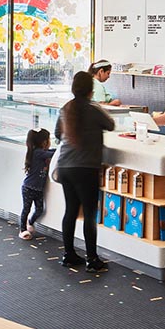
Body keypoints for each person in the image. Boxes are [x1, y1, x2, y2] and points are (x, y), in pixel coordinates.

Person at [55, 70, 115, 272]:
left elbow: (57, 133)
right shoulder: (93, 109)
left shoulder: (66, 109)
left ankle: (68, 254)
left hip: (65, 167)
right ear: (90, 90)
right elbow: (111, 124)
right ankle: (92, 259)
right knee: (89, 214)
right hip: (86, 167)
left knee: (70, 210)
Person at [18, 128, 54, 240]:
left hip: (38, 189)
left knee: (39, 209)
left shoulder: (40, 153)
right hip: (28, 188)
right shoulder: (38, 153)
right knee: (26, 209)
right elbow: (52, 154)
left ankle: (30, 222)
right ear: (44, 142)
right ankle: (22, 230)